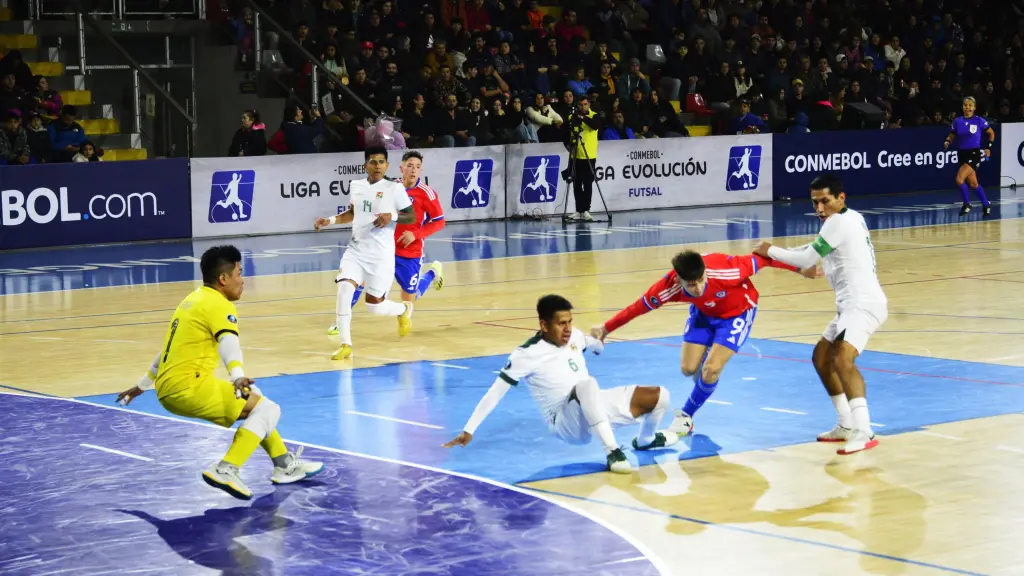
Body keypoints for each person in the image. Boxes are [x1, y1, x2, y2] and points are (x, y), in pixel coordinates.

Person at [116, 246, 323, 500]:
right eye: (239, 272)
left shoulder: (191, 300)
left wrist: (141, 386)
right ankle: (227, 468)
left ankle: (283, 464)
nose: (243, 279)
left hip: (169, 389)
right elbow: (228, 342)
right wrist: (237, 375)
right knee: (268, 410)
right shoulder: (218, 304)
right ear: (223, 279)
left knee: (254, 396)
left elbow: (167, 352)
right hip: (188, 388)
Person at [444, 294, 678, 474]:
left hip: (593, 406)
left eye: (569, 322)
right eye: (560, 324)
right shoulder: (525, 354)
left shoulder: (573, 335)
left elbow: (589, 342)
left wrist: (598, 342)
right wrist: (469, 429)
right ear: (544, 325)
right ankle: (613, 452)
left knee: (660, 396)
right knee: (587, 385)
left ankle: (646, 440)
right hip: (566, 423)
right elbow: (495, 393)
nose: (567, 329)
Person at [591, 251, 817, 436]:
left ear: (705, 272)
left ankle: (686, 416)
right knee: (688, 369)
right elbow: (638, 307)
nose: (698, 288)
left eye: (701, 280)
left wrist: (800, 268)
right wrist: (607, 327)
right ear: (678, 280)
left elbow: (765, 258)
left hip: (737, 313)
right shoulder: (668, 287)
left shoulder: (730, 269)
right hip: (703, 315)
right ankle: (709, 359)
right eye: (691, 285)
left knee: (710, 369)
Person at [753, 173, 888, 456]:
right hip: (850, 305)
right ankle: (846, 423)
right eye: (815, 202)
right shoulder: (847, 219)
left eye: (824, 201)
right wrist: (798, 263)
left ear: (841, 197)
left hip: (863, 304)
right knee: (821, 357)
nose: (819, 209)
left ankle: (863, 430)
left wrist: (770, 251)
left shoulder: (838, 221)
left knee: (842, 359)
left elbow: (806, 257)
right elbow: (816, 251)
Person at [315, 147, 417, 360]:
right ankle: (346, 344)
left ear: (387, 165)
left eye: (381, 162)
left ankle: (402, 309)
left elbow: (411, 217)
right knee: (344, 289)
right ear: (366, 166)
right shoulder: (356, 186)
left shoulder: (394, 188)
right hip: (356, 250)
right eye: (373, 161)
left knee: (374, 306)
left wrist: (393, 217)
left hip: (381, 257)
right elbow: (353, 213)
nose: (377, 165)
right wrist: (330, 220)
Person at [330, 151, 446, 335]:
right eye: (409, 166)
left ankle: (432, 273)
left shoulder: (427, 194)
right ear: (401, 168)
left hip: (410, 252)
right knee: (358, 280)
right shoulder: (389, 186)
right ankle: (340, 321)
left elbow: (439, 221)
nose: (413, 170)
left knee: (410, 296)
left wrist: (415, 235)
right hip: (383, 248)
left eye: (417, 167)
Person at [944, 96, 995, 216]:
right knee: (973, 183)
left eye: (970, 105)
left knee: (959, 179)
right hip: (962, 154)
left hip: (974, 153)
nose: (968, 107)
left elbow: (991, 133)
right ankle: (986, 204)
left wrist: (988, 147)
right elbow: (952, 134)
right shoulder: (957, 121)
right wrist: (947, 141)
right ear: (962, 107)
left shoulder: (979, 121)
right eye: (965, 105)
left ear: (974, 107)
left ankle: (967, 204)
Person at [565, 94, 602, 222]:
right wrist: (568, 145)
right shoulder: (572, 117)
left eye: (585, 104)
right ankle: (578, 209)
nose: (583, 106)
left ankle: (586, 210)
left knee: (587, 184)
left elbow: (595, 125)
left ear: (589, 104)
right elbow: (567, 131)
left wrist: (582, 117)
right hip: (575, 155)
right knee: (576, 184)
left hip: (589, 156)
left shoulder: (594, 116)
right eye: (580, 104)